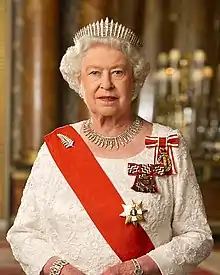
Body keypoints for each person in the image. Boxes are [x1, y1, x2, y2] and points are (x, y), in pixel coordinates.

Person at [7, 17, 213, 275]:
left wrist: (140, 267)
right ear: (79, 82)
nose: (106, 84)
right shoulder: (58, 146)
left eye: (118, 72)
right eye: (94, 73)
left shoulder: (166, 144)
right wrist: (59, 270)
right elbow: (23, 232)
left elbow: (198, 236)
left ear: (134, 80)